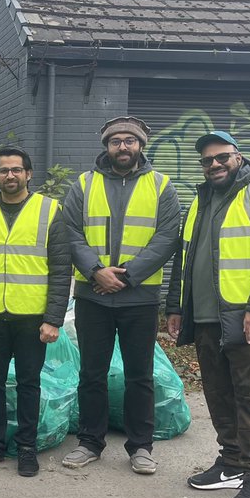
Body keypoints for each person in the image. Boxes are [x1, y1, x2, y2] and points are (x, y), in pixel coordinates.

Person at [165, 130, 250, 498]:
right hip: (207, 318)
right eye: (207, 160)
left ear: (238, 156)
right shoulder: (201, 201)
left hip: (247, 318)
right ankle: (231, 464)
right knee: (219, 394)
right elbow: (185, 259)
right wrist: (177, 306)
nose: (215, 164)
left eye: (222, 157)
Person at [60, 116, 181, 474]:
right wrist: (96, 271)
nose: (123, 147)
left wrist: (126, 278)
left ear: (141, 145)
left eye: (130, 141)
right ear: (107, 147)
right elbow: (70, 231)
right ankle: (90, 442)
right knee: (92, 373)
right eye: (116, 141)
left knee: (139, 375)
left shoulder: (162, 186)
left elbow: (167, 237)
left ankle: (141, 446)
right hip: (92, 297)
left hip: (139, 298)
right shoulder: (84, 184)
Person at [0, 145, 71, 478]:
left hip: (32, 319)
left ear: (28, 174)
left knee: (28, 384)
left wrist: (53, 319)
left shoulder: (49, 211)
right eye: (4, 170)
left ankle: (26, 448)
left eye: (17, 170)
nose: (11, 175)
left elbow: (61, 270)